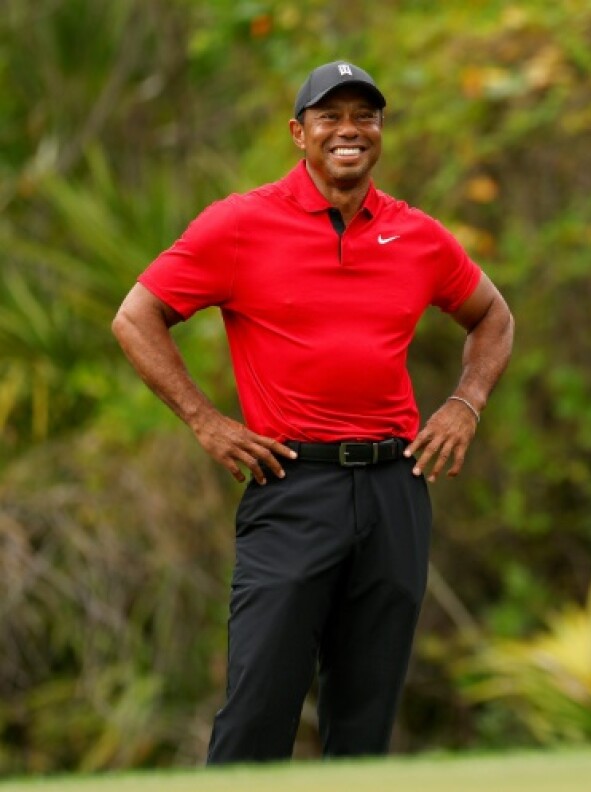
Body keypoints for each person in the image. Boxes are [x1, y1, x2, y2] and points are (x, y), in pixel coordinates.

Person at [112, 60, 514, 763]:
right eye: (331, 117)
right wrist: (207, 421)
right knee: (260, 704)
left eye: (366, 116)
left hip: (396, 488)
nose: (350, 131)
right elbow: (136, 316)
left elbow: (493, 316)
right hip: (293, 485)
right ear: (300, 133)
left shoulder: (416, 235)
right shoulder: (239, 223)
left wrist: (465, 403)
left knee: (366, 714)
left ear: (380, 131)